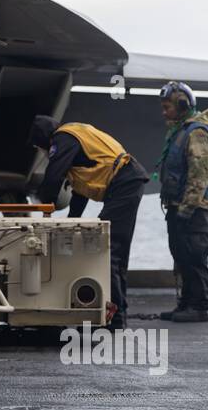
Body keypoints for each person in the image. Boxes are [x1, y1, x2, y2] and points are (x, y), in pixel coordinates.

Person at [29, 117, 148, 329]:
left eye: (41, 148)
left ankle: (116, 319)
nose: (44, 153)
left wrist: (42, 205)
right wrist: (72, 220)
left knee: (107, 252)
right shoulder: (76, 139)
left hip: (124, 183)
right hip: (127, 182)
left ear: (45, 141)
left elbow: (54, 175)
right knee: (116, 253)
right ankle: (119, 315)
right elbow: (80, 192)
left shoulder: (63, 138)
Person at [154, 81, 208, 322]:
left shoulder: (196, 133)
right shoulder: (180, 132)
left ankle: (200, 307)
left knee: (194, 257)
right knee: (181, 256)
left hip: (193, 211)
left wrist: (187, 209)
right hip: (178, 207)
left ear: (182, 104)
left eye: (167, 106)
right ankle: (186, 303)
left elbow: (199, 175)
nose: (164, 111)